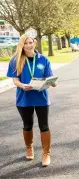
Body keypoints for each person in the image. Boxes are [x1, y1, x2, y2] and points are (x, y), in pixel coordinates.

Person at [6, 34, 56, 167]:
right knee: (27, 125)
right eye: (26, 43)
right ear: (22, 45)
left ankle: (46, 153)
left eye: (31, 42)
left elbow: (49, 76)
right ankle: (29, 148)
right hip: (24, 98)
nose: (29, 45)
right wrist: (22, 85)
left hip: (41, 98)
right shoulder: (16, 60)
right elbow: (15, 80)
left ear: (34, 43)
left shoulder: (43, 59)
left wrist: (51, 82)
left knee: (44, 125)